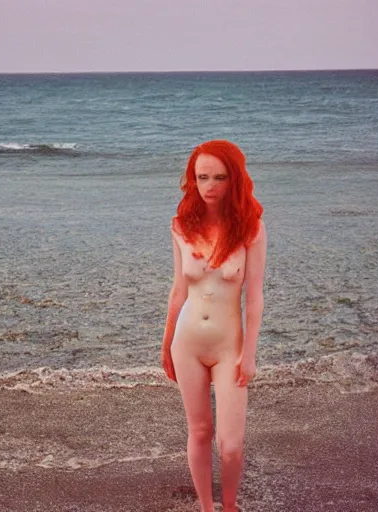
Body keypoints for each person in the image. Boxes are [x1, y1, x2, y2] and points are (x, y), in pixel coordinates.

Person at [161, 140, 267, 512]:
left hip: (229, 348)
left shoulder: (251, 229)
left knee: (231, 443)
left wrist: (249, 355)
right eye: (202, 177)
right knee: (200, 431)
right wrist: (165, 344)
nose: (210, 185)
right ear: (193, 180)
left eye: (219, 177)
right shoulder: (180, 226)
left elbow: (254, 298)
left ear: (234, 179)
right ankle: (207, 508)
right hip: (186, 344)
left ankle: (230, 506)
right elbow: (178, 290)